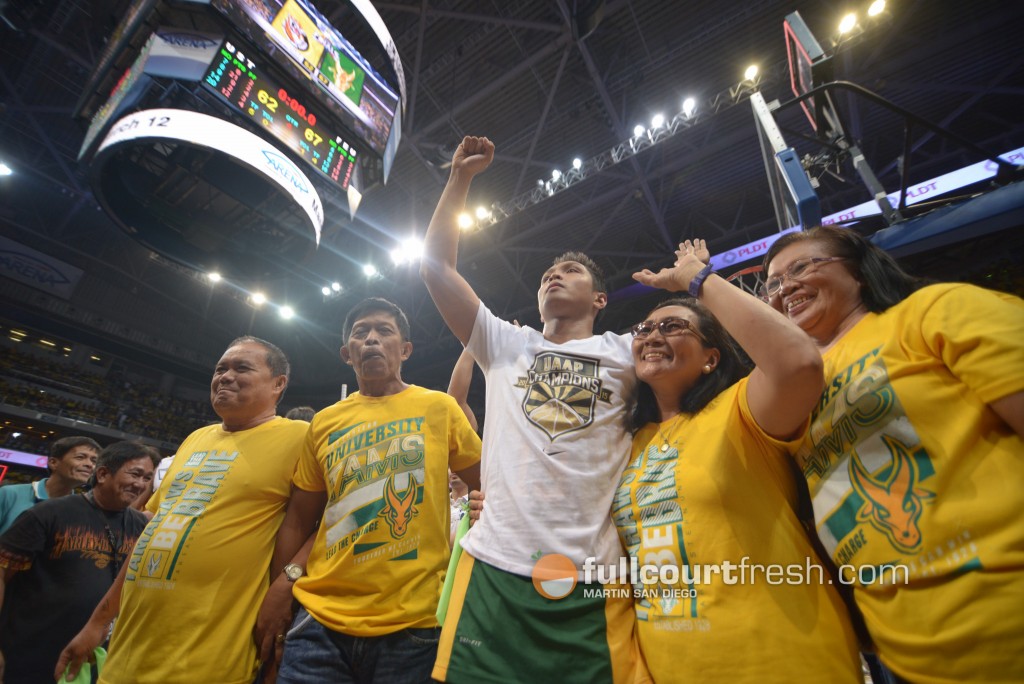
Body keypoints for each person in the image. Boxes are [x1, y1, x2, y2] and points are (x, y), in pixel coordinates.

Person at [420, 135, 643, 683]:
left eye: (571, 271)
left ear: (599, 300)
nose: (552, 274)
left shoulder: (627, 351)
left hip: (591, 578)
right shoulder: (504, 344)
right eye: (547, 272)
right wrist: (459, 181)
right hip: (493, 565)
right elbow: (436, 269)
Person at [762, 226, 1024, 683]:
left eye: (801, 267)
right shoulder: (791, 395)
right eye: (774, 284)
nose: (786, 288)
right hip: (907, 660)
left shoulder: (934, 310)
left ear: (859, 271)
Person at [616, 239, 862, 681]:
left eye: (672, 326)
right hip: (672, 668)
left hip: (782, 663)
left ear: (712, 358)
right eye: (644, 329)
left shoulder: (741, 407)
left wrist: (697, 279)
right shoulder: (627, 445)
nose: (652, 336)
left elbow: (799, 364)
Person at [56, 336, 309, 684]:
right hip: (127, 652)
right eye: (220, 368)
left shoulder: (301, 438)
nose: (225, 376)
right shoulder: (195, 439)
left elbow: (316, 527)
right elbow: (153, 536)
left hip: (207, 658)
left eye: (242, 368)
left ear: (278, 384)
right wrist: (98, 622)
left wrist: (286, 591)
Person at [263, 297, 481, 683]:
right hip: (318, 622)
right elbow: (299, 518)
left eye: (384, 331)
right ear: (348, 353)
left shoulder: (439, 407)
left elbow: (489, 483)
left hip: (415, 623)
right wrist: (281, 587)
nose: (372, 340)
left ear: (406, 349)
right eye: (361, 333)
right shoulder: (325, 422)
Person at [0, 441, 158, 683]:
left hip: (94, 659)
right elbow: (2, 576)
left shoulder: (143, 527)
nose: (140, 484)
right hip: (30, 654)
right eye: (135, 474)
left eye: (147, 478)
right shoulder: (47, 514)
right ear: (103, 474)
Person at [0, 436, 100, 533]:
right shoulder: (9, 494)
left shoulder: (80, 511)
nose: (89, 464)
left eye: (94, 461)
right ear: (53, 463)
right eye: (80, 457)